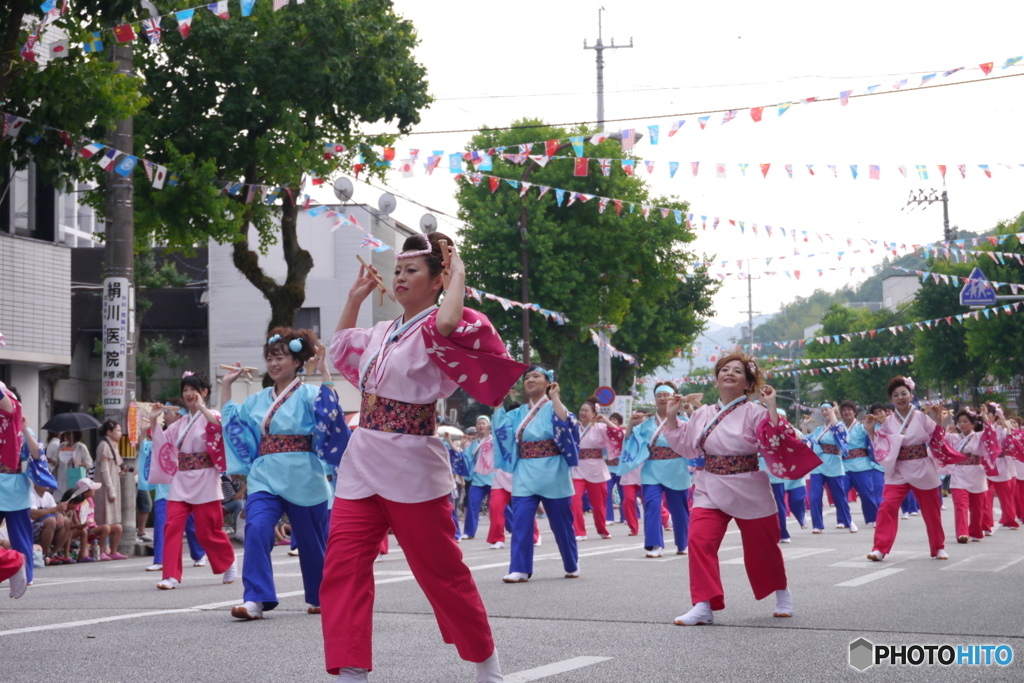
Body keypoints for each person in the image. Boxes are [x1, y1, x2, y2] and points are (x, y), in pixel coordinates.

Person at [322, 232, 526, 682]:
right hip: (362, 462)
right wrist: (355, 299)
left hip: (412, 464)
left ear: (437, 281)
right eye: (397, 270)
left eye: (411, 270)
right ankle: (351, 671)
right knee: (342, 566)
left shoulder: (438, 330)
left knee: (440, 573)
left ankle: (486, 663)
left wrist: (461, 275)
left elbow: (450, 318)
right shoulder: (381, 332)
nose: (399, 278)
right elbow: (339, 352)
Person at [663, 354, 820, 626]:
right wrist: (672, 417)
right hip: (709, 484)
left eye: (737, 371)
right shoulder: (701, 414)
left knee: (763, 548)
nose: (730, 373)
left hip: (748, 485)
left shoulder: (755, 412)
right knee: (699, 540)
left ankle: (782, 592)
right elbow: (688, 446)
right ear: (716, 378)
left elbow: (775, 440)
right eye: (725, 369)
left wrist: (771, 407)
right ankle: (703, 604)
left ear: (748, 383)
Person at [223, 327, 348, 620]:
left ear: (297, 362)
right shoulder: (257, 399)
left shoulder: (309, 393)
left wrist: (325, 371)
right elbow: (232, 424)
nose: (273, 364)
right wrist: (227, 386)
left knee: (312, 541)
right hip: (265, 475)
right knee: (256, 527)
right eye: (270, 358)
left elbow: (330, 415)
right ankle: (256, 597)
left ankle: (319, 596)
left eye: (280, 357)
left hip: (304, 474)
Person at [148, 373, 238, 590]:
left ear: (204, 392)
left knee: (207, 531)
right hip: (182, 480)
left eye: (193, 390)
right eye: (185, 390)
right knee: (172, 526)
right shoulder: (181, 423)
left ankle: (229, 561)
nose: (188, 394)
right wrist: (153, 419)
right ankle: (171, 575)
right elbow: (163, 444)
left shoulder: (212, 414)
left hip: (206, 478)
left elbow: (218, 427)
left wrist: (203, 408)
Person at [493, 364, 580, 584]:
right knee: (521, 521)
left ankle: (571, 563)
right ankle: (520, 568)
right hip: (525, 472)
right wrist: (497, 401)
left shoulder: (554, 406)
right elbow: (501, 430)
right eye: (527, 378)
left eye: (536, 376)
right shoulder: (518, 413)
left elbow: (567, 424)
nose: (530, 380)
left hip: (554, 471)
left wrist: (555, 397)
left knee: (561, 524)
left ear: (548, 382)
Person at [863, 376, 964, 562]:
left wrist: (938, 421)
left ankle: (938, 547)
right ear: (891, 400)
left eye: (904, 393)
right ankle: (879, 548)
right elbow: (881, 446)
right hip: (899, 469)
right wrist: (870, 431)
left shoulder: (922, 417)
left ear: (911, 395)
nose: (900, 397)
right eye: (895, 395)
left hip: (922, 467)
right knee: (887, 506)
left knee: (931, 510)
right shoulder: (888, 422)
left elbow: (937, 440)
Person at [620, 383, 696, 557]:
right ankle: (655, 545)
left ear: (674, 397)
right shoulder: (645, 423)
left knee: (679, 509)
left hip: (676, 467)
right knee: (652, 504)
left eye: (666, 395)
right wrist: (631, 425)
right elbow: (630, 442)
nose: (662, 399)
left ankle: (683, 543)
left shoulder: (683, 421)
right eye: (659, 395)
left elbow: (697, 434)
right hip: (651, 469)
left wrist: (690, 412)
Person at [138, 403, 208, 572]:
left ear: (179, 416)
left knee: (191, 525)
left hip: (184, 488)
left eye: (167, 412)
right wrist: (143, 431)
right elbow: (146, 448)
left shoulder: (187, 435)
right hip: (164, 489)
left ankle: (199, 554)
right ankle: (160, 559)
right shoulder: (162, 433)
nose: (165, 414)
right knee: (161, 522)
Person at [1, 382, 59, 584]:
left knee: (20, 536)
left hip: (15, 488)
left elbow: (37, 454)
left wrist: (25, 430)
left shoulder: (20, 428)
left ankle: (25, 575)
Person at [571, 398, 622, 541]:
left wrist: (605, 420)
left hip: (596, 469)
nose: (583, 412)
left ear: (594, 413)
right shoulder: (575, 427)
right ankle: (579, 531)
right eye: (581, 410)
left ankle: (601, 528)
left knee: (598, 505)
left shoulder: (600, 427)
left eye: (586, 410)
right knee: (574, 501)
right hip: (578, 468)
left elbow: (618, 433)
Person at [944, 408, 994, 543]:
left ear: (973, 424)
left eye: (965, 421)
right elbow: (938, 438)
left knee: (978, 507)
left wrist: (984, 417)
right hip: (959, 473)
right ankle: (962, 533)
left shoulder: (979, 436)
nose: (962, 424)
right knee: (960, 504)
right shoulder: (953, 437)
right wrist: (941, 420)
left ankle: (976, 532)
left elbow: (991, 434)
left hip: (976, 473)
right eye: (959, 421)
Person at [808, 403, 856, 534]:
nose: (824, 412)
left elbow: (840, 434)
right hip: (818, 465)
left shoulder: (839, 426)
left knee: (839, 496)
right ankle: (817, 525)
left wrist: (833, 414)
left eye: (827, 410)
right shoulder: (818, 430)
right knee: (814, 496)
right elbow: (807, 441)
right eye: (822, 410)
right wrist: (803, 428)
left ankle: (848, 520)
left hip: (833, 463)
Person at [839, 401, 882, 528]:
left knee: (866, 493)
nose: (847, 412)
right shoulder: (839, 427)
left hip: (861, 465)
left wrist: (872, 425)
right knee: (840, 493)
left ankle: (874, 518)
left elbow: (874, 436)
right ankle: (843, 520)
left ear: (855, 412)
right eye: (844, 410)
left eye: (849, 410)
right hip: (843, 465)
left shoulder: (861, 426)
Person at [979, 403, 1018, 530]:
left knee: (1005, 496)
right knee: (985, 497)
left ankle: (1010, 519)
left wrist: (1008, 428)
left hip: (1000, 464)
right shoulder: (981, 429)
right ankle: (986, 522)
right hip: (985, 465)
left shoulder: (1002, 430)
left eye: (990, 413)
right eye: (986, 414)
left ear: (995, 416)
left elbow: (1009, 446)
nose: (988, 416)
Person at [92, 420, 126, 560]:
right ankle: (102, 550)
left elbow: (113, 468)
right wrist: (111, 490)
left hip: (112, 483)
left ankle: (112, 550)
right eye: (117, 430)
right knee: (104, 518)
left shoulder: (113, 445)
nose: (120, 433)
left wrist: (121, 471)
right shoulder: (104, 446)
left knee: (113, 519)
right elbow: (105, 471)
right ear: (109, 432)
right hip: (105, 487)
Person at [462, 416, 495, 541]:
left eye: (484, 423)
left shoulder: (494, 440)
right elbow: (466, 459)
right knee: (472, 503)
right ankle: (469, 532)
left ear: (488, 426)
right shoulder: (472, 445)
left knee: (498, 505)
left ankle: (513, 528)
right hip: (478, 479)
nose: (481, 426)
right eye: (479, 424)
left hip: (493, 478)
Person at [30, 483, 70, 565]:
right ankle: (45, 554)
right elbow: (33, 514)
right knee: (51, 521)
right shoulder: (30, 494)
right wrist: (55, 509)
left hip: (44, 526)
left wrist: (59, 514)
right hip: (30, 528)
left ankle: (55, 554)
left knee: (66, 521)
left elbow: (56, 511)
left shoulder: (48, 495)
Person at [51, 431, 91, 500]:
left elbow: (89, 463)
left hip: (75, 477)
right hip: (62, 478)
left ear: (76, 434)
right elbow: (55, 461)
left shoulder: (81, 447)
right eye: (67, 433)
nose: (67, 436)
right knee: (60, 498)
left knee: (74, 498)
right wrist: (51, 461)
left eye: (70, 434)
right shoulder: (62, 446)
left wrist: (78, 463)